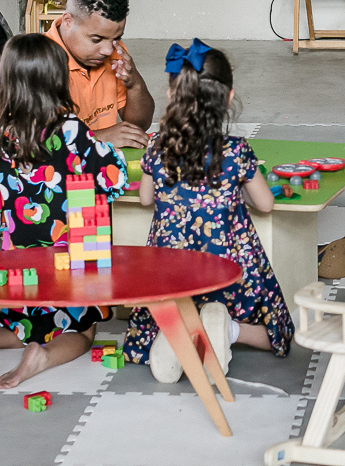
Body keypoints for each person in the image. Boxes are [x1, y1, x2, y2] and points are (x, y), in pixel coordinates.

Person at [0, 34, 129, 388]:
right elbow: (114, 179)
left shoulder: (1, 136)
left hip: (20, 259)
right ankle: (41, 356)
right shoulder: (73, 130)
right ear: (58, 79)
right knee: (83, 331)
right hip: (71, 255)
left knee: (21, 326)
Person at [122, 40, 294, 380]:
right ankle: (230, 331)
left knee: (151, 324)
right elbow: (265, 203)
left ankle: (172, 338)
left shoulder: (157, 146)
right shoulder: (235, 151)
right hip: (228, 268)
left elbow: (145, 199)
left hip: (171, 269)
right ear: (228, 99)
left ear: (173, 96)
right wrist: (231, 195)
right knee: (279, 333)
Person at [46, 0, 154, 148]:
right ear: (67, 21)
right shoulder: (36, 60)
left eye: (116, 38)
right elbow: (37, 138)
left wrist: (135, 85)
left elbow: (138, 127)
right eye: (96, 39)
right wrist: (100, 137)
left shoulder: (115, 53)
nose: (106, 50)